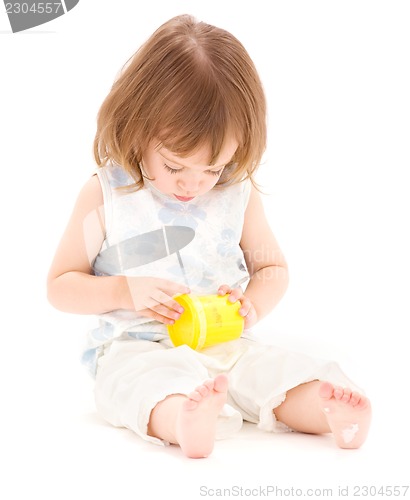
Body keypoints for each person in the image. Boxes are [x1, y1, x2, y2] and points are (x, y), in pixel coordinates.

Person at [47, 14, 371, 459]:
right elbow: (61, 287)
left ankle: (324, 408)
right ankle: (185, 419)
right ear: (137, 127)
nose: (193, 185)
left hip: (224, 340)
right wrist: (124, 289)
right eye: (175, 166)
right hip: (138, 344)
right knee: (139, 383)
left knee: (267, 370)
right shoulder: (107, 194)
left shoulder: (235, 193)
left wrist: (251, 304)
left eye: (213, 169)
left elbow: (272, 268)